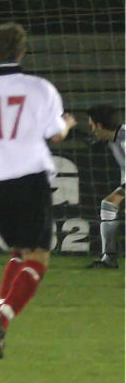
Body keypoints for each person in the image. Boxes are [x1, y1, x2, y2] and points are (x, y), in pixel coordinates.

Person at [0, 22, 77, 359]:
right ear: (23, 52)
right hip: (30, 176)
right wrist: (68, 123)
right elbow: (56, 135)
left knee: (19, 251)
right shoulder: (39, 89)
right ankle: (1, 317)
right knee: (39, 255)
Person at [85, 104, 124, 269]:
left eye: (92, 126)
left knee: (111, 203)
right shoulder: (114, 138)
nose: (92, 130)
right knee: (109, 204)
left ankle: (109, 258)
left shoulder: (123, 141)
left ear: (99, 125)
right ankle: (108, 258)